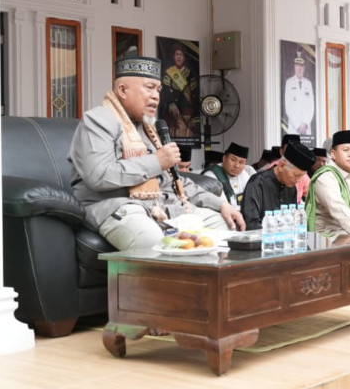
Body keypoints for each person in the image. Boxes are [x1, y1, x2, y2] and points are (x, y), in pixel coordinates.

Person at [68, 56, 244, 252]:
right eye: (149, 87)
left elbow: (173, 181)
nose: (156, 96)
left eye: (158, 90)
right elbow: (98, 175)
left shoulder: (148, 129)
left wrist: (220, 204)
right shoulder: (98, 121)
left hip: (162, 206)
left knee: (225, 227)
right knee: (156, 243)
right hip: (119, 207)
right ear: (123, 90)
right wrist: (156, 161)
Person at [241, 142, 315, 230]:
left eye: (301, 176)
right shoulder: (257, 183)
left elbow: (292, 222)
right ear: (281, 165)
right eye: (296, 175)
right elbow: (251, 224)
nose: (298, 180)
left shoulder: (291, 188)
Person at [203, 142, 255, 208]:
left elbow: (252, 197)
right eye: (233, 160)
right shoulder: (212, 175)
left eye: (241, 162)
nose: (237, 166)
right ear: (224, 158)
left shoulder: (243, 174)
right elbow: (222, 205)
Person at [160, 44, 196, 138]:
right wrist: (171, 104)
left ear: (184, 57)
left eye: (181, 54)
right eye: (177, 54)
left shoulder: (189, 74)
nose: (179, 57)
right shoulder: (169, 72)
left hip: (187, 111)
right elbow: (165, 91)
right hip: (172, 112)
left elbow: (194, 94)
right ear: (173, 57)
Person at [284, 51, 314, 137]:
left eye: (301, 65)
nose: (299, 68)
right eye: (297, 65)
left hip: (306, 128)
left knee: (307, 150)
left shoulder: (308, 83)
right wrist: (298, 126)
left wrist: (305, 124)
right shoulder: (289, 83)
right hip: (294, 128)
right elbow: (288, 107)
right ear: (294, 67)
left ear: (304, 67)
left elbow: (311, 107)